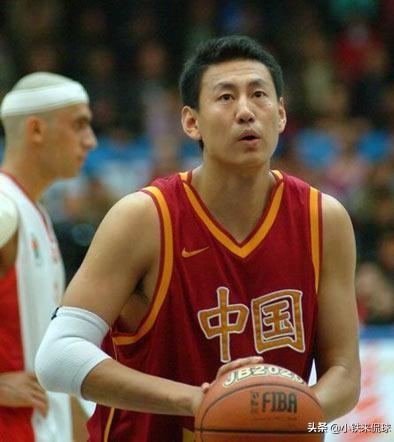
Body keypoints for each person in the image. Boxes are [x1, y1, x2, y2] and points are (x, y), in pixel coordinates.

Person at [36, 35, 361, 441]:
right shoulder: (144, 218)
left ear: (280, 115)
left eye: (259, 95)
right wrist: (200, 401)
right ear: (192, 122)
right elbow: (58, 354)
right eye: (225, 97)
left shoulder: (324, 220)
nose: (246, 111)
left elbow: (344, 372)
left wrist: (287, 411)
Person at [0, 72, 96, 441]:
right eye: (79, 124)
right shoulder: (4, 208)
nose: (90, 140)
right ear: (36, 129)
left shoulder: (34, 212)